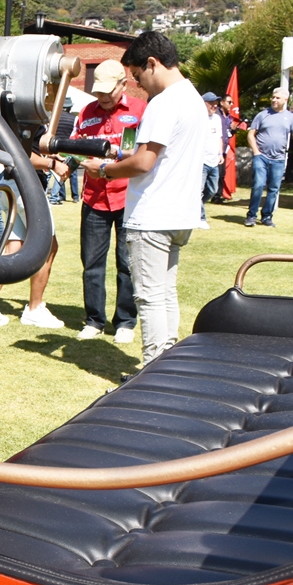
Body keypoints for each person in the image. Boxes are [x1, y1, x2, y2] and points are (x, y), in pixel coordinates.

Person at [80, 32, 208, 366]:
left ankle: (152, 373)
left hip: (153, 216)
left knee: (149, 298)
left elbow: (143, 162)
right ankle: (167, 365)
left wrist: (104, 169)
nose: (140, 85)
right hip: (180, 214)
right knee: (165, 293)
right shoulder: (193, 98)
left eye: (138, 77)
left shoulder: (163, 102)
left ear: (152, 64)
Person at [63, 59, 146, 343]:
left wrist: (109, 157)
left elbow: (132, 152)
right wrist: (67, 164)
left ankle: (125, 321)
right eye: (99, 92)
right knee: (92, 262)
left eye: (108, 92)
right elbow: (75, 145)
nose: (103, 98)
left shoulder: (138, 111)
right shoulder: (86, 111)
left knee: (127, 263)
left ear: (123, 85)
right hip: (93, 198)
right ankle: (94, 320)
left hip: (127, 197)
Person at [0, 152, 70, 328]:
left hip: (9, 183)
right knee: (48, 246)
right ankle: (34, 309)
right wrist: (52, 163)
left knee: (12, 250)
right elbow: (21, 153)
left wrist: (48, 153)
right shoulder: (27, 124)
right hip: (25, 187)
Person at [246, 88, 293, 227]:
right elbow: (250, 134)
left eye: (277, 98)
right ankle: (251, 216)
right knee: (258, 185)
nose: (274, 100)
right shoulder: (262, 115)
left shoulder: (290, 117)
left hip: (278, 159)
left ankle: (267, 217)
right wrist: (256, 152)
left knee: (274, 189)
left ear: (286, 100)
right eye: (273, 97)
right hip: (261, 157)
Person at [201, 92, 224, 207]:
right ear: (203, 103)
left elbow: (219, 137)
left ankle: (197, 208)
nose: (215, 106)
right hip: (201, 161)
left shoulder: (217, 119)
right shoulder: (198, 118)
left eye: (216, 103)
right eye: (211, 103)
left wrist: (220, 154)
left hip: (214, 161)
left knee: (213, 190)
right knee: (198, 190)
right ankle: (200, 215)